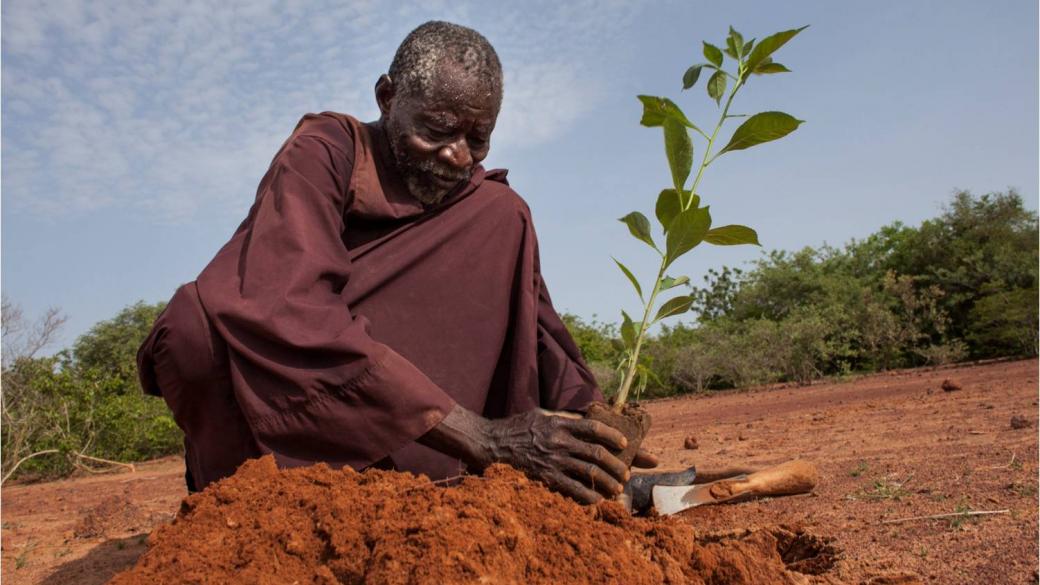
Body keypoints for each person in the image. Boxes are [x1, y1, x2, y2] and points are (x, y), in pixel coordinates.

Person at [137, 20, 658, 506]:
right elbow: (285, 304)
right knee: (194, 327)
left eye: (477, 139)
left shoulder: (487, 209)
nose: (457, 156)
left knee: (503, 213)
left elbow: (537, 324)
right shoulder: (324, 152)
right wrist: (482, 437)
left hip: (404, 423)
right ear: (387, 98)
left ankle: (477, 485)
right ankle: (244, 498)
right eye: (437, 130)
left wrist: (593, 427)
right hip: (293, 412)